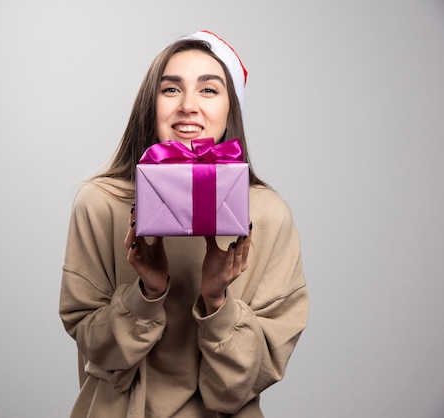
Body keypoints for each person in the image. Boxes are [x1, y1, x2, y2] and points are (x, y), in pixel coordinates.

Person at [59, 30, 309, 417]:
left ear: (230, 109)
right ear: (150, 104)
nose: (188, 105)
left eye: (209, 90)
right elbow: (96, 347)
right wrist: (147, 291)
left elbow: (247, 379)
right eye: (171, 89)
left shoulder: (267, 214)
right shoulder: (102, 203)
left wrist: (216, 301)